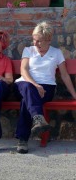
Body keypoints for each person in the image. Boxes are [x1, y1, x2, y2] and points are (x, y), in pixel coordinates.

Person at [14, 21, 76, 154]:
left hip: (47, 88)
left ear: (48, 39)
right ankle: (38, 118)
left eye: (39, 41)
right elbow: (24, 71)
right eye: (34, 40)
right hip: (25, 83)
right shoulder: (28, 50)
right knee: (28, 89)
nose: (35, 43)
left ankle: (23, 139)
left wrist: (74, 95)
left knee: (27, 100)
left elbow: (64, 76)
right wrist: (35, 85)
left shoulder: (57, 53)